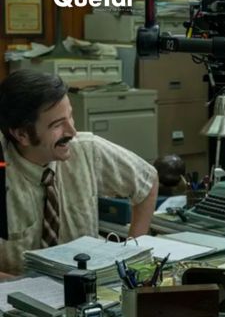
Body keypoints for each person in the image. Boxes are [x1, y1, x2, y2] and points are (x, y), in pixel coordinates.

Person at [0, 70, 158, 275]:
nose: (72, 131)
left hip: (86, 284)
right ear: (22, 134)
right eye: (57, 125)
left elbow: (147, 181)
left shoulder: (86, 150)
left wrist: (130, 256)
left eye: (70, 117)